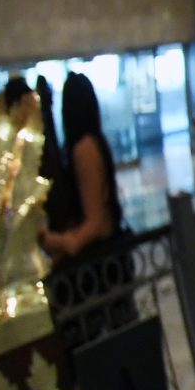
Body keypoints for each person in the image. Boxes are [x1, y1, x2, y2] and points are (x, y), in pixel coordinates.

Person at [40, 71, 123, 262]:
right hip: (110, 251)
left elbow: (95, 221)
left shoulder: (83, 149)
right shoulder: (96, 142)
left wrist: (59, 241)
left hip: (100, 259)